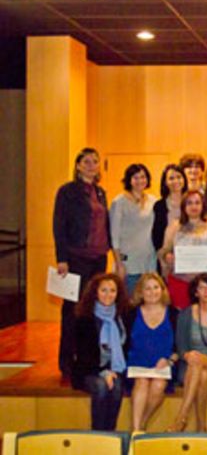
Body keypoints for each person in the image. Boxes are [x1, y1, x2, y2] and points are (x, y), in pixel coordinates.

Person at [53, 147, 110, 378]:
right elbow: (59, 225)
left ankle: (88, 358)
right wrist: (62, 259)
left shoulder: (101, 192)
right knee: (72, 311)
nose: (91, 165)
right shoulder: (67, 191)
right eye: (86, 161)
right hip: (75, 257)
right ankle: (67, 360)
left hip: (98, 258)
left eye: (95, 161)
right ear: (78, 165)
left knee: (93, 310)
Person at [71, 273, 130, 431]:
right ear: (95, 292)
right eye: (103, 290)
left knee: (116, 387)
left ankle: (110, 435)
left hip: (116, 368)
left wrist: (111, 371)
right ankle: (98, 435)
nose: (108, 295)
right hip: (89, 370)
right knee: (101, 386)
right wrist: (103, 372)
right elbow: (83, 355)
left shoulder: (123, 315)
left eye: (112, 290)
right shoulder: (84, 318)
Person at [169, 273, 207, 432]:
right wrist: (187, 355)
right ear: (195, 292)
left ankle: (181, 418)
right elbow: (180, 346)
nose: (206, 291)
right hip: (189, 366)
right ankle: (201, 427)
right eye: (202, 287)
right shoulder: (185, 314)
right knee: (202, 373)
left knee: (201, 366)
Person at [126, 273, 179, 432]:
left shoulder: (173, 313)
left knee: (158, 385)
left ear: (163, 290)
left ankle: (140, 424)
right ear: (140, 292)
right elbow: (123, 343)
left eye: (156, 287)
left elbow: (179, 348)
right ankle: (136, 432)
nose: (152, 292)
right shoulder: (131, 313)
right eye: (147, 288)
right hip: (136, 365)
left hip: (163, 366)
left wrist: (169, 361)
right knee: (142, 381)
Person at [159, 190, 207, 310]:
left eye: (197, 202)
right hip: (180, 282)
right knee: (182, 321)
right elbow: (164, 251)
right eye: (189, 203)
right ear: (184, 206)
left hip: (206, 284)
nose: (194, 206)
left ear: (203, 205)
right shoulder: (174, 226)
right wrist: (167, 256)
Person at [110, 163, 156, 295]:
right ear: (129, 180)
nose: (140, 181)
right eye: (135, 177)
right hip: (128, 263)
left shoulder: (153, 201)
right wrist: (119, 264)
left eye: (143, 177)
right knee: (129, 304)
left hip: (148, 261)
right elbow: (114, 236)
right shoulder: (119, 202)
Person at [152, 164, 188, 257]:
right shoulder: (159, 206)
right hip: (167, 255)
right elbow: (156, 234)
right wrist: (164, 254)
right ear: (165, 182)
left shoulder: (193, 201)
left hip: (189, 252)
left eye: (179, 177)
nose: (176, 181)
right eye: (171, 178)